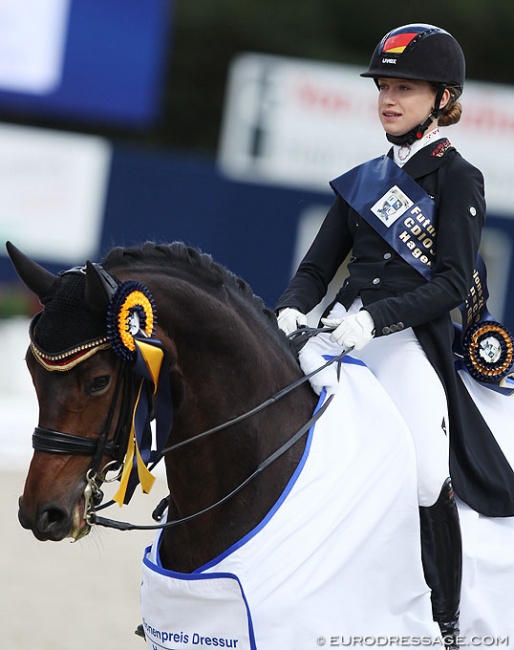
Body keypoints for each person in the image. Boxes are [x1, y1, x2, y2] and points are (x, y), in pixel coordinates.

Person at [275, 23, 483, 648]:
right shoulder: (362, 178)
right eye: (384, 87)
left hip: (400, 341)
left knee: (425, 471)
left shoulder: (458, 178)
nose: (388, 99)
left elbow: (451, 283)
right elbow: (315, 270)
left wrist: (376, 320)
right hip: (336, 333)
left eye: (405, 89)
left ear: (443, 99)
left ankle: (445, 620)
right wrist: (290, 310)